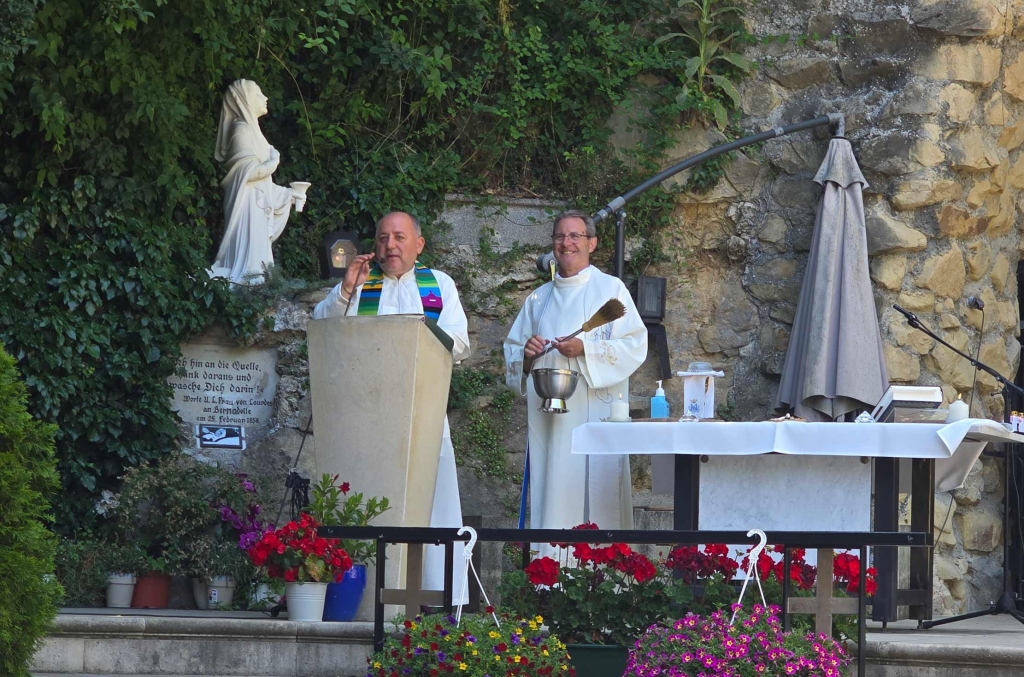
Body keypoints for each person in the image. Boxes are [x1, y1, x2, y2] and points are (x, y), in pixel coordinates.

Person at [314, 211, 470, 602]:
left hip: (425, 415)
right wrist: (347, 291)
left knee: (431, 503)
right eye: (383, 238)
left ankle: (433, 599)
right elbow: (324, 329)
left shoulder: (438, 285)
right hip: (367, 418)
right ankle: (364, 599)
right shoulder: (362, 283)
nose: (390, 245)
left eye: (400, 237)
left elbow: (460, 343)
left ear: (419, 244)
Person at [503, 210, 647, 556]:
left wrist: (586, 348)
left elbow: (635, 344)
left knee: (598, 496)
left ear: (592, 243)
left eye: (574, 236)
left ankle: (605, 582)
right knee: (555, 489)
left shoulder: (610, 289)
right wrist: (527, 355)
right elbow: (512, 353)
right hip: (552, 422)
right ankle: (549, 574)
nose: (566, 243)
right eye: (559, 237)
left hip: (597, 413)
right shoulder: (538, 299)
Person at [211, 79, 305, 285]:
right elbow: (249, 173)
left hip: (255, 206)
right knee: (249, 260)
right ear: (245, 100)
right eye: (258, 94)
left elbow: (261, 185)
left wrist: (289, 195)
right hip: (246, 209)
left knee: (258, 261)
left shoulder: (254, 132)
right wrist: (274, 162)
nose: (265, 98)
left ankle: (257, 285)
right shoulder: (241, 130)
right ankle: (248, 285)